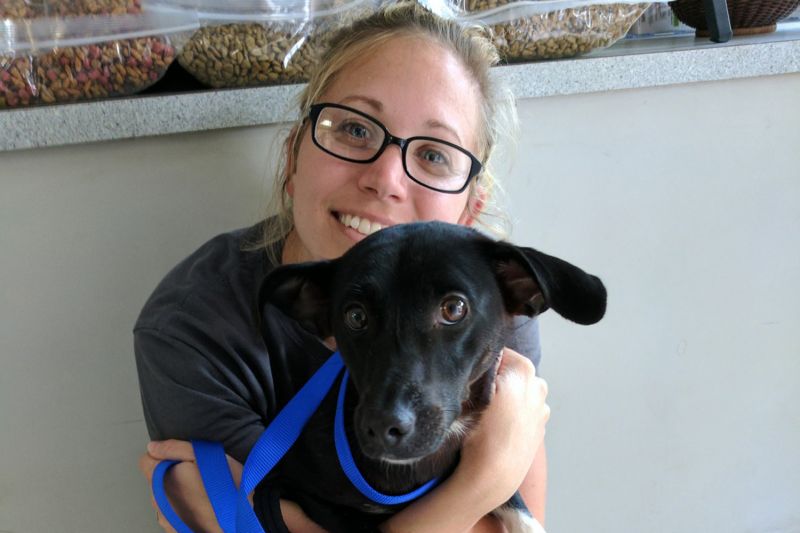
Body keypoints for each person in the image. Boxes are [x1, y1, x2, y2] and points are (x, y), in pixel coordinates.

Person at [135, 3, 550, 532]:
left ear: (470, 211)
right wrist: (485, 480)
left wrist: (490, 484)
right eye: (354, 129)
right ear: (292, 156)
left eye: (434, 154)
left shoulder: (489, 304)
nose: (385, 178)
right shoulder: (199, 324)